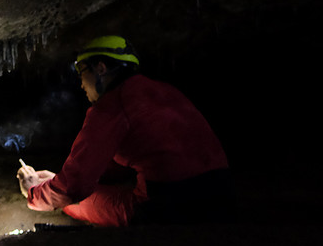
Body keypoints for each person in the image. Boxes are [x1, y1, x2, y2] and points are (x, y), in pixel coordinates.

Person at [16, 36, 233, 227]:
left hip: (171, 205)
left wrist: (35, 192)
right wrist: (56, 179)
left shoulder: (112, 105)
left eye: (81, 71)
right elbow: (114, 164)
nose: (81, 84)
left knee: (81, 202)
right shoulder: (164, 91)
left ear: (100, 68)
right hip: (222, 193)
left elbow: (74, 188)